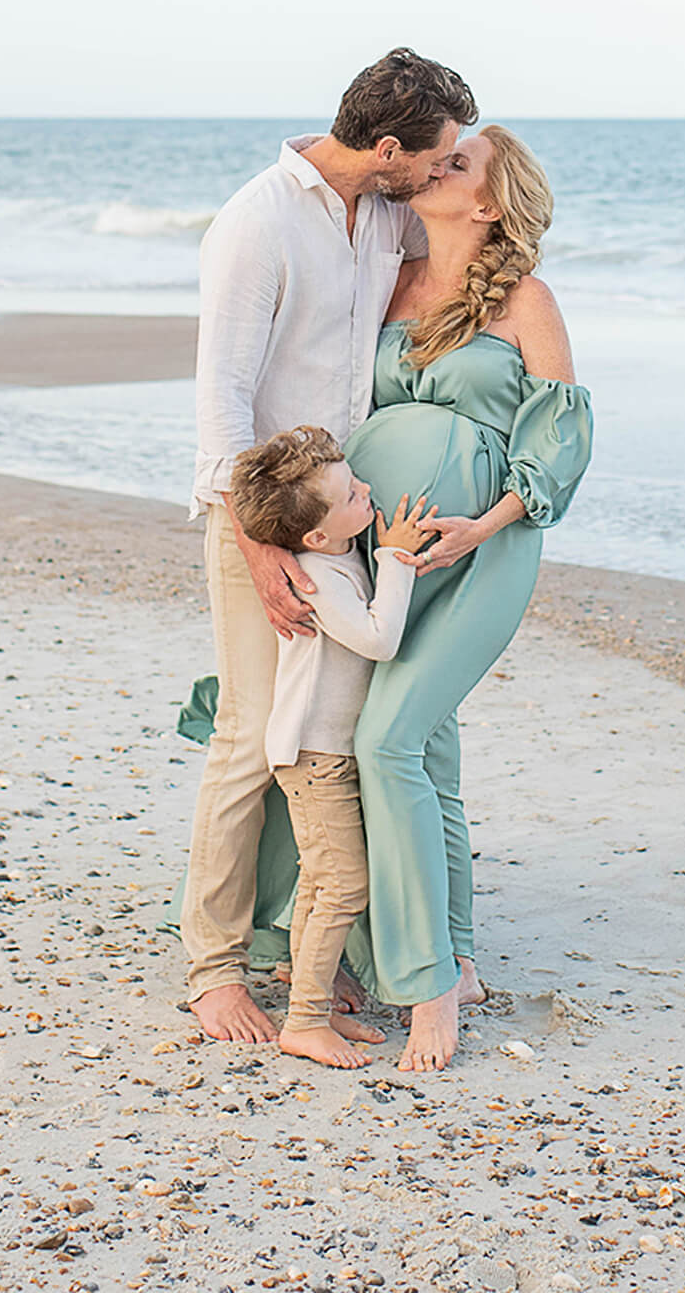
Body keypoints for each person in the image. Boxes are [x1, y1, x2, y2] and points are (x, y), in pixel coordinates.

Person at [181, 47, 477, 1043]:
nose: (439, 175)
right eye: (433, 159)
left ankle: (315, 947)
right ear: (386, 146)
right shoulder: (255, 221)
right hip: (262, 518)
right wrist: (258, 543)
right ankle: (214, 967)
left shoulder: (387, 211)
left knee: (333, 738)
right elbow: (221, 396)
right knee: (248, 736)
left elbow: (448, 258)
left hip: (343, 516)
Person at [339, 123, 593, 1071]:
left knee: (387, 741)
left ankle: (426, 984)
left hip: (486, 548)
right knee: (425, 749)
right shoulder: (387, 284)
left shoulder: (526, 299)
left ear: (487, 203)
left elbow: (560, 437)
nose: (432, 169)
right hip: (385, 552)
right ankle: (462, 955)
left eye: (456, 164)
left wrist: (479, 527)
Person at [228, 426, 437, 1068]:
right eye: (351, 492)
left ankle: (309, 1008)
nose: (367, 490)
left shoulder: (334, 555)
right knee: (342, 886)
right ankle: (305, 1021)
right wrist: (398, 559)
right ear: (315, 535)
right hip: (315, 758)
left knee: (325, 884)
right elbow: (378, 641)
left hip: (322, 752)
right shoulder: (321, 575)